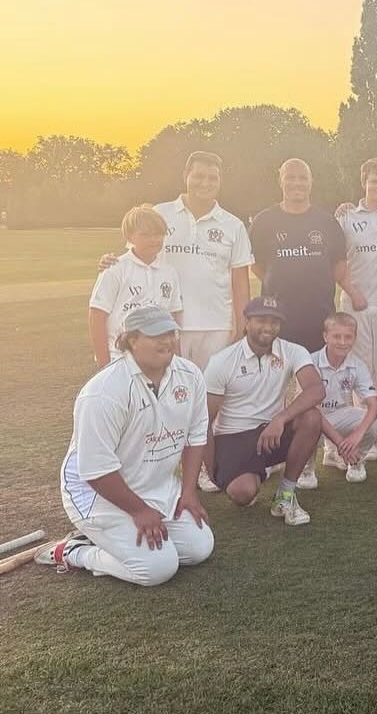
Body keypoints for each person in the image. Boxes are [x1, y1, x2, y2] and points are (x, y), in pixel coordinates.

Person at [37, 306, 214, 584]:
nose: (167, 341)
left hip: (153, 485)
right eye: (156, 334)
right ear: (131, 339)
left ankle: (114, 539)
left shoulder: (190, 375)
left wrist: (189, 491)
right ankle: (74, 551)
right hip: (96, 494)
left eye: (170, 333)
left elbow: (195, 435)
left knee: (199, 548)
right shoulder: (104, 392)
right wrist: (139, 510)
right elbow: (95, 469)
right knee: (157, 569)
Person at [97, 149, 252, 368]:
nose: (205, 183)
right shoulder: (160, 213)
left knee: (209, 392)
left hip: (215, 326)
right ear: (186, 176)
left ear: (219, 181)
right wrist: (108, 260)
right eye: (198, 176)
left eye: (212, 178)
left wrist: (242, 328)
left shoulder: (233, 225)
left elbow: (241, 282)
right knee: (169, 390)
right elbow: (134, 254)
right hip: (161, 325)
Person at [203, 296, 326, 526]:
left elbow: (316, 389)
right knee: (242, 494)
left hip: (272, 432)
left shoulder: (292, 350)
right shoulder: (222, 361)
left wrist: (280, 418)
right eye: (261, 320)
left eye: (274, 321)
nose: (268, 327)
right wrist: (211, 468)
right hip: (233, 437)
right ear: (247, 322)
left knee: (311, 417)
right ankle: (257, 472)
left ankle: (285, 495)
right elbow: (203, 421)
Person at [333, 158, 377, 460]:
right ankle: (363, 432)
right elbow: (336, 262)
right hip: (356, 305)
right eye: (375, 180)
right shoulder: (346, 217)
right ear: (364, 181)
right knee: (358, 372)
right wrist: (353, 291)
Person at [249, 159, 354, 353]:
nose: (297, 183)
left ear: (311, 181)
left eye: (302, 178)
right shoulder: (263, 222)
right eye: (290, 177)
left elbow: (339, 266)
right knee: (278, 379)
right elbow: (256, 265)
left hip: (320, 318)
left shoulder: (327, 222)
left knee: (317, 380)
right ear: (280, 181)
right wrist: (280, 282)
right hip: (277, 319)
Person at [89, 205, 183, 367]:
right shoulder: (115, 268)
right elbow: (97, 316)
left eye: (158, 234)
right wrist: (104, 363)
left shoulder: (169, 272)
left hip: (158, 358)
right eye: (145, 235)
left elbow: (173, 318)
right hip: (120, 356)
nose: (154, 240)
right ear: (130, 237)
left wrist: (176, 359)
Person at [304, 312, 377, 487]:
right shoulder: (310, 361)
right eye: (336, 336)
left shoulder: (357, 365)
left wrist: (356, 436)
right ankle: (307, 469)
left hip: (339, 414)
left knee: (376, 423)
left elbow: (374, 406)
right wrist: (339, 442)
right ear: (325, 336)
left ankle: (355, 461)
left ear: (355, 338)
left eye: (348, 337)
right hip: (312, 418)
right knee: (307, 421)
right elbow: (308, 408)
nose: (342, 342)